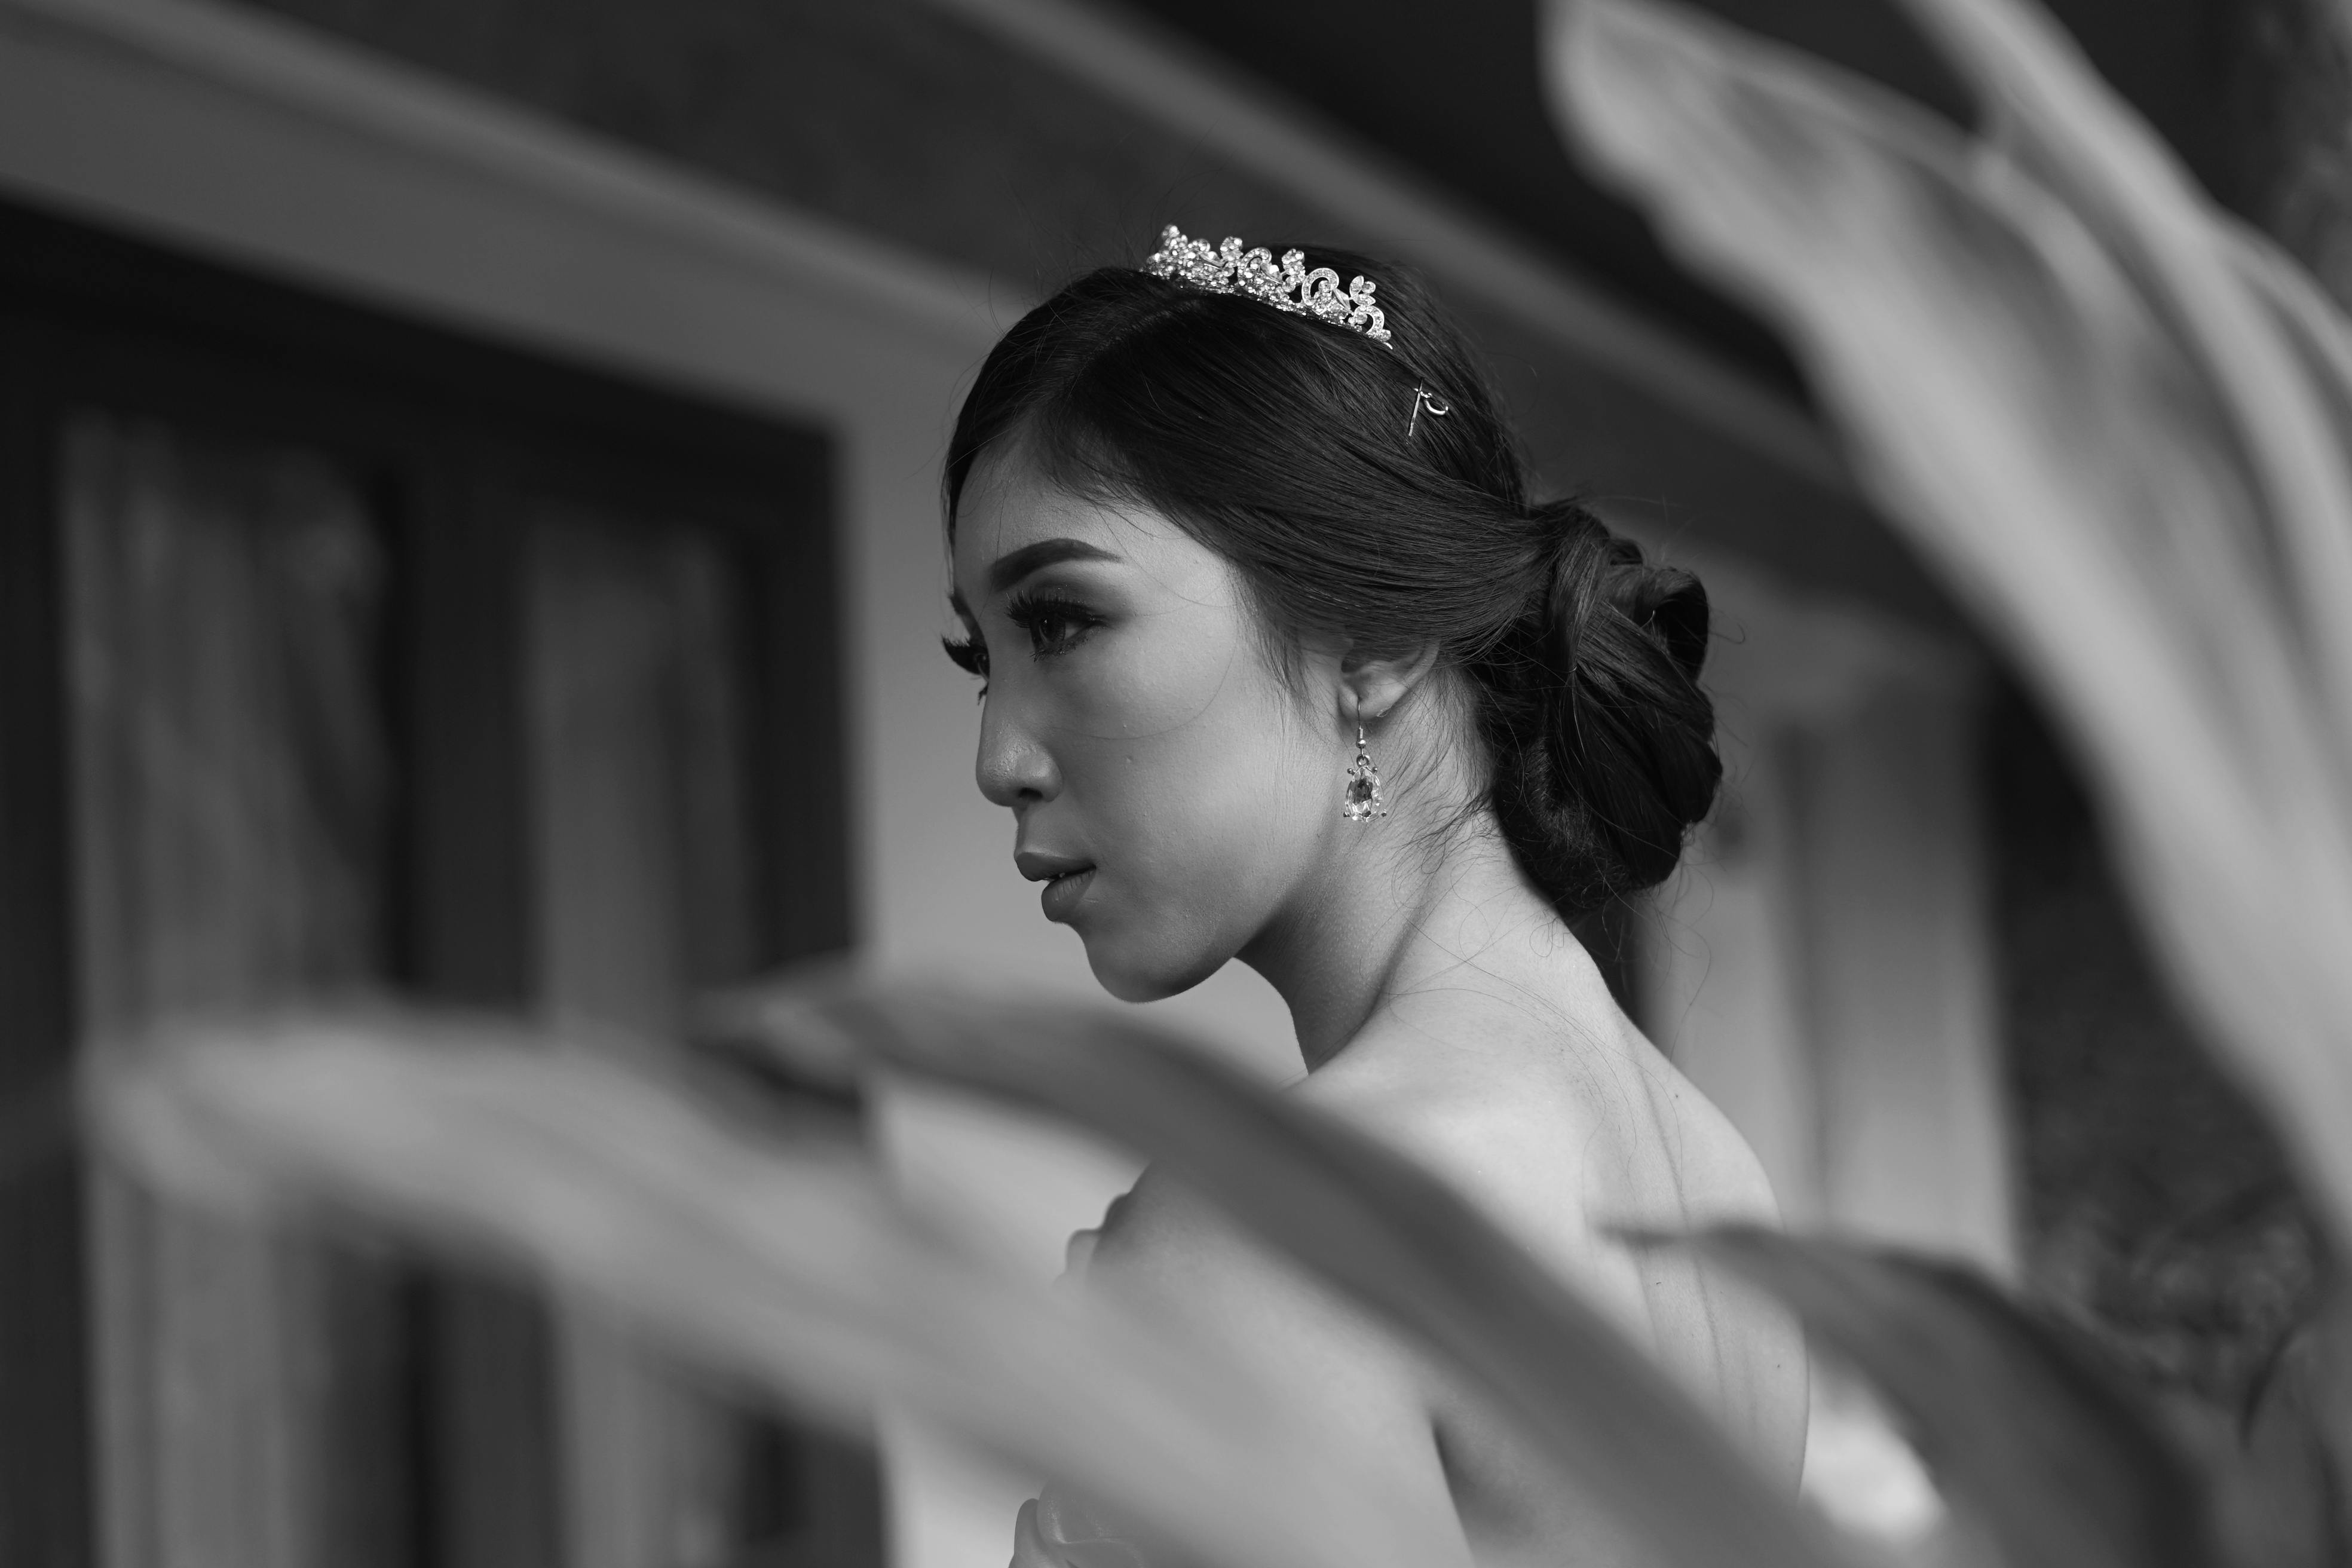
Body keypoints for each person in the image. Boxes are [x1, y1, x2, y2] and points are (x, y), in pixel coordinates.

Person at [942, 228, 1806, 1567]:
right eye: (981, 662)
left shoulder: (1290, 1234)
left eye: (1062, 621)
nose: (1000, 757)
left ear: (1376, 640)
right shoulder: (1714, 1183)